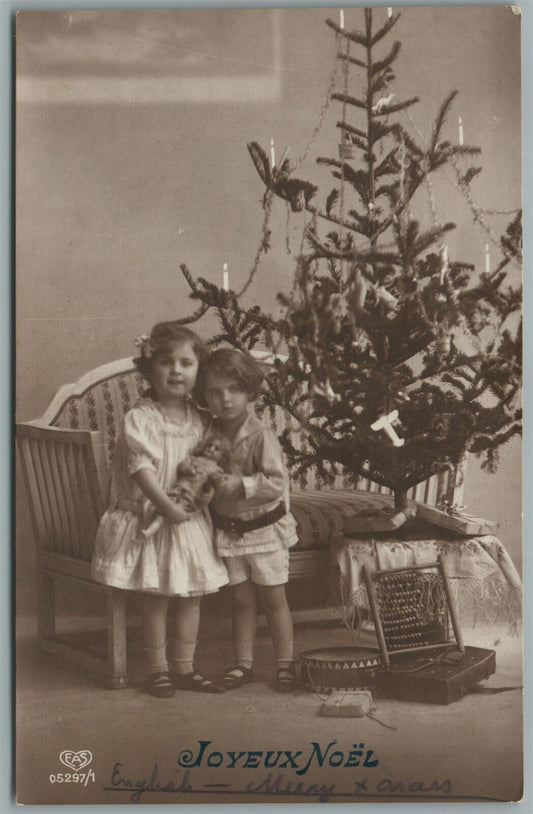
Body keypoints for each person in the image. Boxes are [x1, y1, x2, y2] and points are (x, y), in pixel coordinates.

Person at [91, 322, 228, 697]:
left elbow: (206, 468)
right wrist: (166, 505)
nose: (176, 371)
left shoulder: (201, 421)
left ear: (199, 371)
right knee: (159, 595)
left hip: (186, 520)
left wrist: (206, 490)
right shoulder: (143, 417)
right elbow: (141, 470)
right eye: (166, 362)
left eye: (186, 363)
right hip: (147, 515)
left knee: (190, 596)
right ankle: (158, 670)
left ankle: (185, 668)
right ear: (149, 367)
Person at [197, 348, 299, 692]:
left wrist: (243, 484)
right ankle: (243, 663)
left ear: (250, 391)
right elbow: (202, 476)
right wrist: (204, 487)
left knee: (273, 598)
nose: (225, 399)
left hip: (264, 530)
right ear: (204, 395)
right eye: (214, 391)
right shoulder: (210, 434)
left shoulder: (261, 435)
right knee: (240, 600)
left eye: (234, 389)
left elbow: (276, 483)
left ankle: (286, 663)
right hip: (230, 532)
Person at [141, 434, 232, 538]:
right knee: (165, 506)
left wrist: (210, 485)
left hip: (193, 496)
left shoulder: (217, 470)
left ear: (223, 456)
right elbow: (182, 466)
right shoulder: (195, 459)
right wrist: (188, 469)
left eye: (217, 449)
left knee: (179, 509)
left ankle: (156, 529)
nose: (210, 449)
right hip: (181, 488)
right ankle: (151, 529)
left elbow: (212, 490)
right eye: (209, 445)